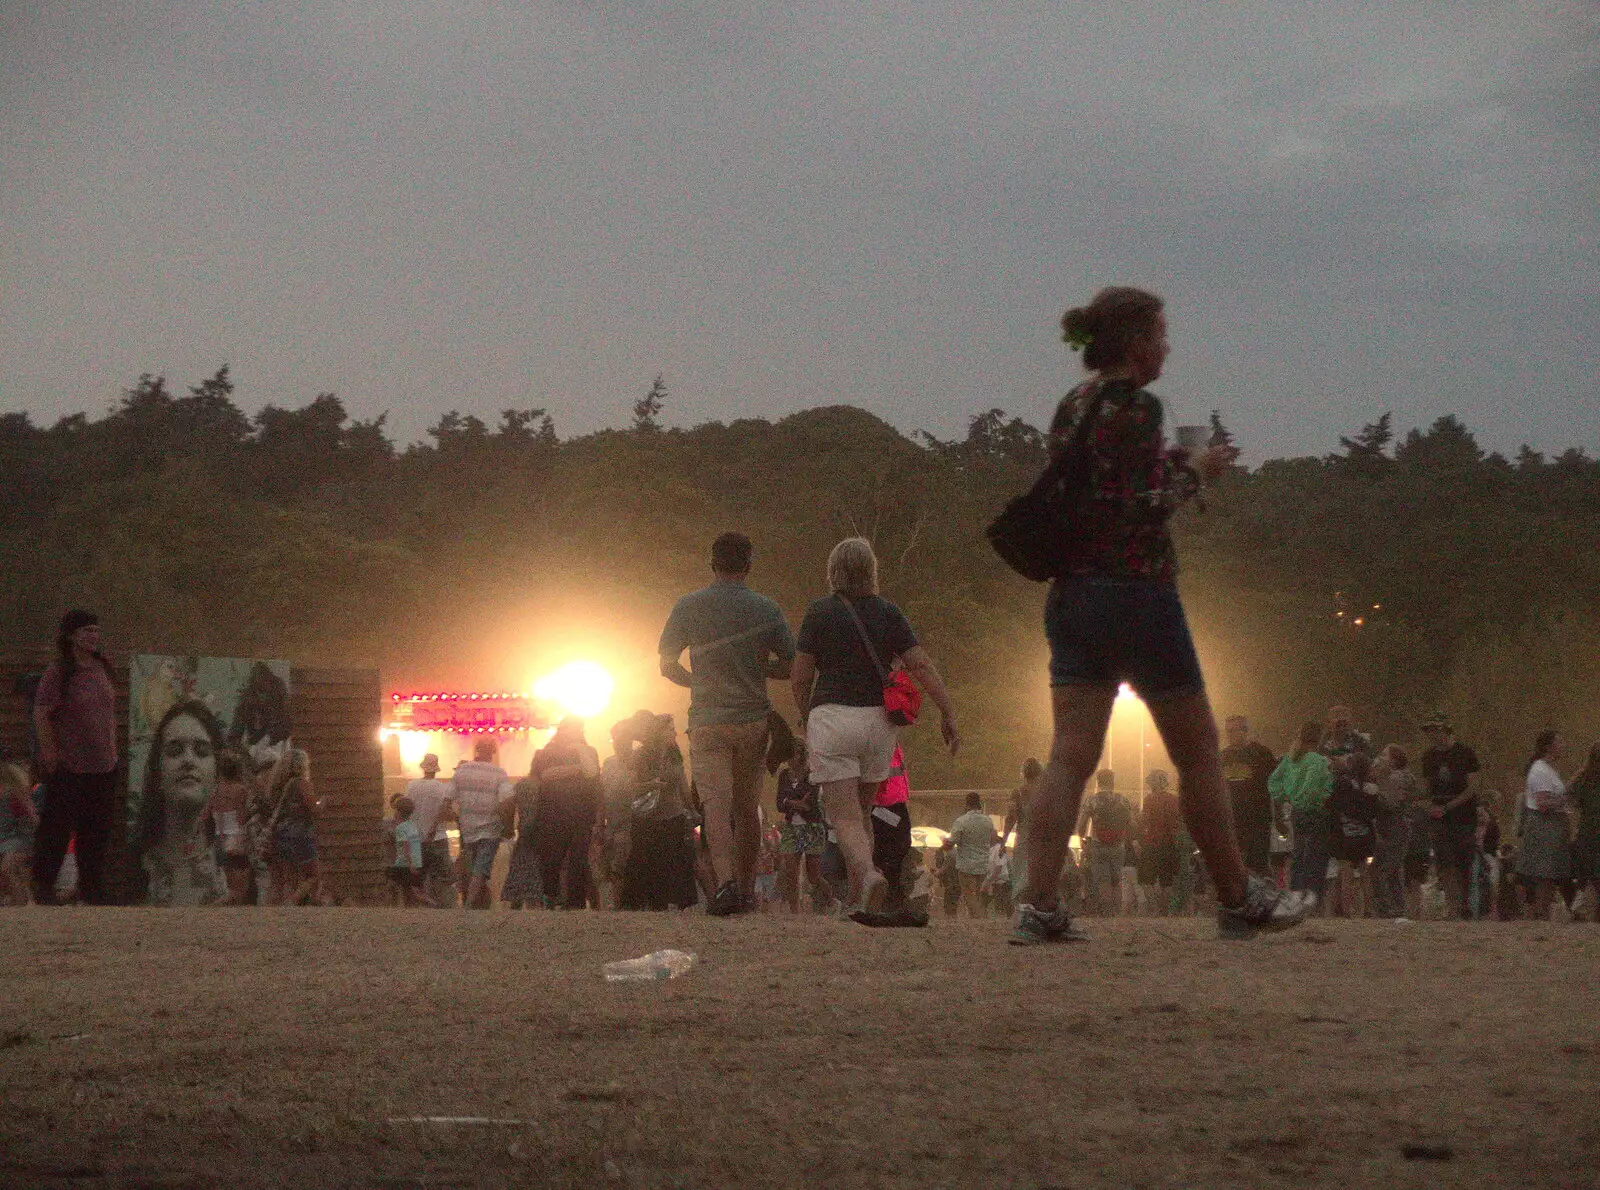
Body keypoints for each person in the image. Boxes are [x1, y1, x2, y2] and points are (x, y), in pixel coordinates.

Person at [1013, 288, 1304, 943]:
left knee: (1068, 757)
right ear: (1136, 343)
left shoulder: (1076, 403)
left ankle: (1037, 903)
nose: (1168, 346)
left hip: (1072, 596)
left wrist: (1177, 463)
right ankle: (1236, 897)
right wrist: (1196, 472)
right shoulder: (1136, 406)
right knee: (1199, 752)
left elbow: (1097, 485)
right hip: (1137, 593)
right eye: (1161, 334)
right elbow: (1141, 506)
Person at [791, 536, 960, 920]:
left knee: (844, 816)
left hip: (833, 717)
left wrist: (807, 715)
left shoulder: (820, 612)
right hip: (879, 724)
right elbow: (921, 666)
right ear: (872, 571)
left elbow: (800, 675)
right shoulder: (889, 612)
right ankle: (858, 897)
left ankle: (868, 876)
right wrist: (948, 712)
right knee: (863, 811)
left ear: (833, 570)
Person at [660, 532, 797, 916]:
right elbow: (792, 663)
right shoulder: (767, 609)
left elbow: (667, 665)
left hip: (707, 720)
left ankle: (725, 887)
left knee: (715, 807)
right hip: (752, 719)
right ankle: (749, 889)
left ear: (712, 563)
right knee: (746, 806)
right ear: (748, 565)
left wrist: (697, 681)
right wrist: (760, 669)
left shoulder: (687, 606)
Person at [31, 610, 120, 905]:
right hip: (71, 764)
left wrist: (113, 752)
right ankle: (44, 886)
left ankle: (92, 888)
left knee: (96, 830)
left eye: (96, 630)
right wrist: (50, 754)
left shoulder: (102, 667)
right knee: (57, 828)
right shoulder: (59, 673)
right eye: (86, 631)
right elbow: (42, 713)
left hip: (104, 765)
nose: (93, 636)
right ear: (70, 636)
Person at [136, 700, 226, 906]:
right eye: (175, 751)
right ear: (157, 772)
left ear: (217, 771)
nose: (188, 761)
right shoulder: (133, 867)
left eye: (202, 751)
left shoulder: (235, 864)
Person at [619, 712, 698, 911]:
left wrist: (692, 810)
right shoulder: (642, 754)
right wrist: (650, 785)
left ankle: (669, 903)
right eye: (670, 729)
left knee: (671, 860)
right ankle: (640, 903)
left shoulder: (674, 755)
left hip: (672, 814)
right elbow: (630, 786)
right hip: (647, 816)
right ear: (659, 731)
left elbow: (682, 784)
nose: (675, 733)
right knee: (645, 859)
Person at [530, 717, 603, 910]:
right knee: (553, 860)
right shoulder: (548, 752)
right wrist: (577, 768)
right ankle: (551, 898)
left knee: (577, 860)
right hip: (554, 815)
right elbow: (546, 775)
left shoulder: (588, 752)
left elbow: (593, 775)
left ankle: (575, 903)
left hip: (579, 815)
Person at [1419, 713, 1482, 919]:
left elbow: (1472, 787)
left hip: (1463, 815)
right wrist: (1430, 806)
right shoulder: (1428, 757)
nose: (1432, 734)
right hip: (1439, 816)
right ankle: (1452, 906)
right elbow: (1427, 787)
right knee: (1445, 862)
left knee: (1464, 861)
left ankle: (1465, 904)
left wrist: (1449, 806)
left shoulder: (1466, 754)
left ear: (1446, 729)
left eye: (1436, 730)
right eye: (1429, 731)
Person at [1269, 722, 1334, 908]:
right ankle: (1313, 901)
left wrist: (1278, 815)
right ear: (1319, 738)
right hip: (1318, 812)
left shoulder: (1290, 759)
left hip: (1298, 813)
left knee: (1299, 855)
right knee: (1317, 858)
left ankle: (1297, 898)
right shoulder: (1323, 760)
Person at [452, 738, 515, 909]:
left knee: (473, 866)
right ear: (493, 752)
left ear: (476, 750)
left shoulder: (461, 771)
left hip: (467, 830)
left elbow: (448, 799)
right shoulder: (499, 773)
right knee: (482, 868)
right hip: (490, 829)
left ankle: (472, 900)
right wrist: (508, 826)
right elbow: (507, 801)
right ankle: (470, 903)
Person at [1517, 730, 1572, 920]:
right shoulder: (1539, 769)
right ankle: (1541, 913)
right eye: (1560, 742)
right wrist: (1565, 801)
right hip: (1543, 826)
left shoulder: (1550, 769)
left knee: (1550, 873)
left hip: (1553, 826)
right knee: (1543, 873)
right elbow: (1542, 803)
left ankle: (1544, 912)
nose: (1563, 745)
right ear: (1549, 747)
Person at [266, 749, 328, 906]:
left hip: (281, 834)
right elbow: (314, 809)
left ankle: (293, 910)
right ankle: (291, 903)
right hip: (300, 834)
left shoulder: (277, 786)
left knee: (291, 878)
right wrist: (323, 802)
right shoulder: (301, 783)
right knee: (313, 875)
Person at [774, 740, 829, 913]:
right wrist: (796, 802)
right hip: (791, 827)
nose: (790, 759)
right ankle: (794, 910)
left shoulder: (812, 774)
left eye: (794, 754)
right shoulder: (784, 775)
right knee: (790, 871)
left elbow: (810, 803)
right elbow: (779, 803)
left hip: (812, 827)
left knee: (813, 876)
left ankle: (830, 899)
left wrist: (789, 801)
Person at [1220, 717, 1277, 878]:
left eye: (1234, 730)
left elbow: (1276, 782)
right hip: (1233, 822)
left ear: (1245, 731)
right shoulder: (1222, 756)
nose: (1230, 735)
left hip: (1257, 820)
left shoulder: (1261, 753)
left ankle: (1267, 897)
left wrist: (1277, 814)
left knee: (1258, 866)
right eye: (1228, 731)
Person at [1368, 745, 1421, 919]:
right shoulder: (1395, 776)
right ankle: (1398, 907)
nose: (1380, 758)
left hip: (1396, 826)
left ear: (1394, 760)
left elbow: (1390, 802)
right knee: (1393, 870)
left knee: (1383, 869)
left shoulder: (1399, 777)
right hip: (1390, 826)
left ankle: (1386, 908)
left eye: (1384, 755)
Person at [1326, 750, 1376, 918]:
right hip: (1365, 836)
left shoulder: (1343, 785)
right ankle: (1369, 909)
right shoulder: (1371, 789)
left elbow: (1332, 806)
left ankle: (1346, 910)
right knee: (1365, 873)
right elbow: (1373, 813)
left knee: (1346, 874)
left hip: (1345, 836)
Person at [1077, 770, 1134, 917]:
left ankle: (1107, 913)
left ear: (1098, 782)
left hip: (1098, 844)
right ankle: (1116, 912)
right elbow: (1131, 823)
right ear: (1113, 782)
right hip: (1118, 845)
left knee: (1103, 881)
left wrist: (1082, 840)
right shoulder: (1122, 800)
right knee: (1116, 880)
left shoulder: (1092, 800)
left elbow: (1082, 825)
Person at [405, 753, 456, 907]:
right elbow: (445, 812)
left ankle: (424, 907)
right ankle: (443, 907)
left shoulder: (411, 786)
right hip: (437, 838)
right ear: (436, 769)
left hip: (416, 838)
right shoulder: (442, 788)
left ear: (423, 768)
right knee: (443, 877)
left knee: (418, 878)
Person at [871, 746, 915, 910]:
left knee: (900, 848)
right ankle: (888, 896)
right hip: (882, 805)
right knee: (886, 851)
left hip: (896, 803)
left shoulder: (896, 747)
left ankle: (893, 894)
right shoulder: (880, 744)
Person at [1136, 770, 1182, 915]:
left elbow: (1145, 820)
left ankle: (1155, 908)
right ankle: (1164, 910)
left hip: (1152, 842)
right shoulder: (1174, 800)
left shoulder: (1150, 799)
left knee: (1145, 880)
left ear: (1155, 783)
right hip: (1170, 844)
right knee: (1166, 881)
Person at [211, 750, 253, 905]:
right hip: (236, 836)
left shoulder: (216, 790)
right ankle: (220, 905)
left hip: (219, 837)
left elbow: (207, 815)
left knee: (230, 883)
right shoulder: (241, 790)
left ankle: (227, 908)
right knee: (242, 884)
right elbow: (241, 816)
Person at [500, 767, 544, 910]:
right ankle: (535, 905)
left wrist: (507, 828)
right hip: (541, 832)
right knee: (536, 870)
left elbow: (505, 806)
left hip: (524, 830)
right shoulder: (546, 785)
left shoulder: (522, 784)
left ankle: (515, 906)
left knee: (519, 867)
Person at [947, 793, 996, 917]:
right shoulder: (988, 821)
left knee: (969, 895)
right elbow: (992, 840)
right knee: (979, 895)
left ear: (967, 804)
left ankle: (978, 919)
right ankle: (979, 918)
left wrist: (945, 843)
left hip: (966, 865)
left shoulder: (961, 821)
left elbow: (952, 842)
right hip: (983, 865)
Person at [1568, 744, 1600, 922]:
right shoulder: (1584, 778)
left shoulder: (1582, 777)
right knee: (1593, 876)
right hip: (1591, 833)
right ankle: (1585, 911)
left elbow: (1571, 801)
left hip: (1587, 832)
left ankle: (1581, 910)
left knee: (1590, 876)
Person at [0, 762, 39, 905]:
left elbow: (32, 820)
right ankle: (20, 899)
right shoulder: (16, 795)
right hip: (11, 840)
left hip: (17, 840)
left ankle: (20, 900)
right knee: (14, 871)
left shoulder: (14, 796)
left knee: (9, 868)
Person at [1005, 759, 1043, 905]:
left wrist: (1004, 840)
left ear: (1024, 774)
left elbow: (1011, 816)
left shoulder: (1018, 793)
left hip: (1024, 837)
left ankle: (1021, 906)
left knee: (1020, 872)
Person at [386, 794, 434, 907]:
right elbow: (421, 843)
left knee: (398, 886)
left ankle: (432, 903)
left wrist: (411, 863)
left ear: (397, 811)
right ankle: (410, 909)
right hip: (416, 862)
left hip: (405, 864)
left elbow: (405, 846)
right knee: (409, 889)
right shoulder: (413, 826)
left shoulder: (400, 828)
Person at [935, 838, 961, 918]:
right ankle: (953, 915)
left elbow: (943, 869)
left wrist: (935, 873)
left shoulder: (950, 854)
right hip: (959, 880)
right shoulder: (957, 852)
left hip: (951, 881)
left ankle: (950, 917)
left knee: (949, 900)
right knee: (955, 900)